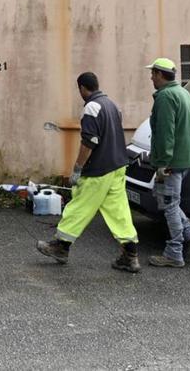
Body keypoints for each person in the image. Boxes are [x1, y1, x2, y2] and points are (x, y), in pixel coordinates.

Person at [37, 72, 141, 273]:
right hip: (118, 167)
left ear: (82, 88)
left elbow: (90, 142)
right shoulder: (112, 105)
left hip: (99, 170)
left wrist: (77, 168)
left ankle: (61, 247)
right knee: (119, 213)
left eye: (80, 90)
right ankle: (130, 256)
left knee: (78, 207)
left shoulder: (91, 107)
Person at [145, 58, 190, 268]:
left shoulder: (165, 97)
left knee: (169, 204)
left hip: (170, 162)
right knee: (165, 199)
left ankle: (174, 252)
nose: (151, 77)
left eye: (152, 74)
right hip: (184, 158)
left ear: (160, 75)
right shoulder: (183, 92)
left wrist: (162, 163)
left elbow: (165, 134)